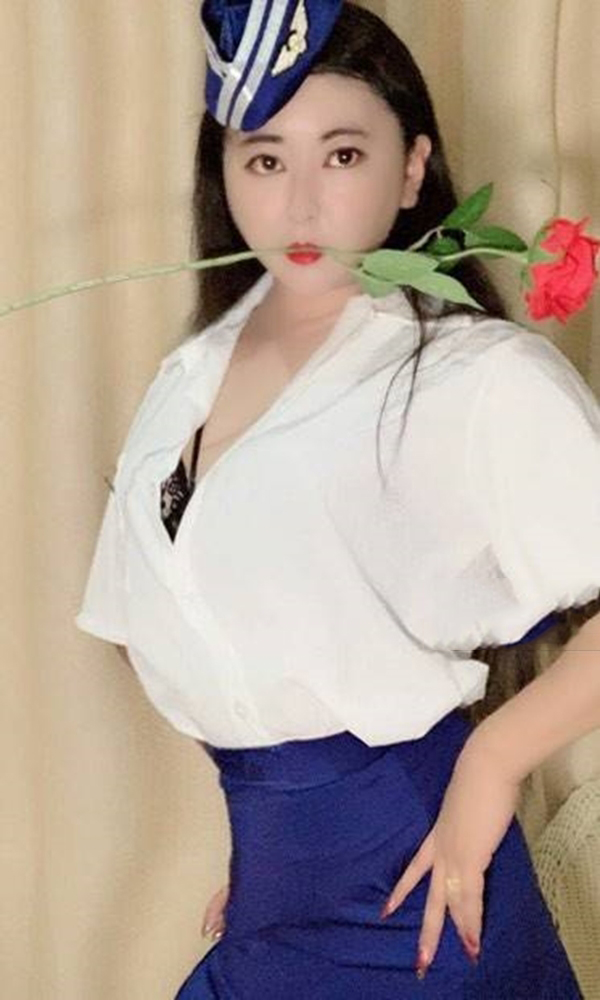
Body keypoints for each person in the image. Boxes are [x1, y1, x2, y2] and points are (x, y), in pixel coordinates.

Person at [75, 2, 600, 996]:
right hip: (274, 893)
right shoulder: (187, 377)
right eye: (266, 160)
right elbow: (188, 632)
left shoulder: (476, 375)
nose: (302, 203)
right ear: (224, 173)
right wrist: (283, 846)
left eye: (344, 155)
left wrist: (491, 764)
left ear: (411, 169)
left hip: (421, 893)